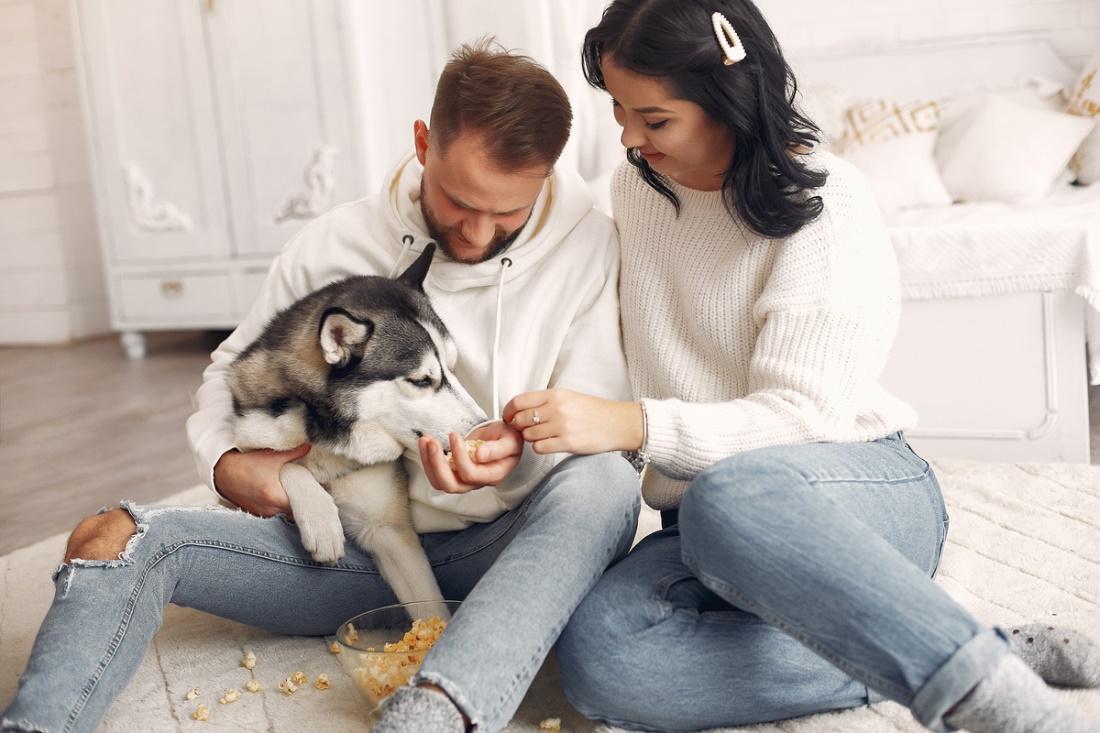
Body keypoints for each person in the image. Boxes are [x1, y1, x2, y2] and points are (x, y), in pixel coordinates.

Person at [1, 42, 641, 733]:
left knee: (606, 481)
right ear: (423, 144)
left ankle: (434, 711)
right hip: (352, 550)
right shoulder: (335, 242)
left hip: (513, 546)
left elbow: (590, 419)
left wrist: (513, 449)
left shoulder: (589, 246)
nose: (476, 232)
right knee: (112, 536)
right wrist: (226, 461)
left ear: (546, 177)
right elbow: (230, 370)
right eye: (458, 201)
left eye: (507, 212)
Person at [496, 2, 1100, 732]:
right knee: (605, 658)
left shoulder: (827, 197)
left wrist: (632, 424)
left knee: (728, 494)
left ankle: (994, 701)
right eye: (619, 110)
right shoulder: (636, 189)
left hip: (855, 490)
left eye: (654, 120)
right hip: (704, 519)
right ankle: (976, 647)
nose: (627, 137)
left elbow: (800, 417)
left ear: (729, 98)